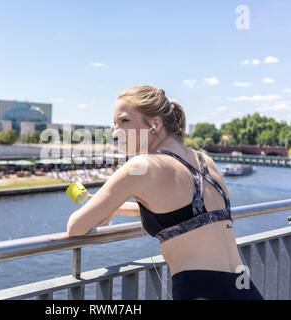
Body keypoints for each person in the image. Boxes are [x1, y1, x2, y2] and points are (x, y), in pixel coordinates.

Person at [66, 85, 264, 300]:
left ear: (155, 124)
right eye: (114, 124)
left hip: (201, 291)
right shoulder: (205, 160)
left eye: (124, 121)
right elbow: (184, 212)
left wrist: (101, 208)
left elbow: (75, 227)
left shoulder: (140, 166)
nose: (115, 133)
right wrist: (116, 208)